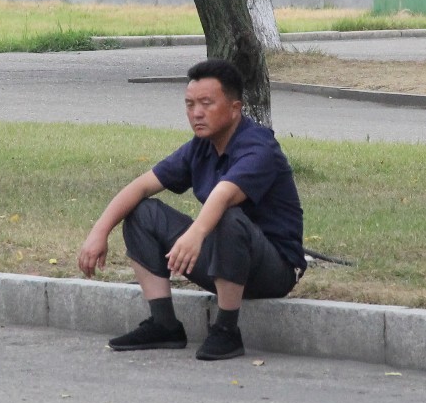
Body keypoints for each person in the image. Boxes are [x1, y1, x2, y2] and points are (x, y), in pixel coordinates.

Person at [77, 58, 305, 362]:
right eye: (189, 104)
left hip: (273, 270)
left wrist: (196, 234)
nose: (196, 113)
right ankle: (164, 324)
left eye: (207, 103)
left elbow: (224, 195)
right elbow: (141, 186)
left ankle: (226, 330)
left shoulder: (258, 146)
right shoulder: (201, 146)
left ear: (235, 108)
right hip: (222, 260)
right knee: (141, 212)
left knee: (226, 215)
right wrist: (99, 232)